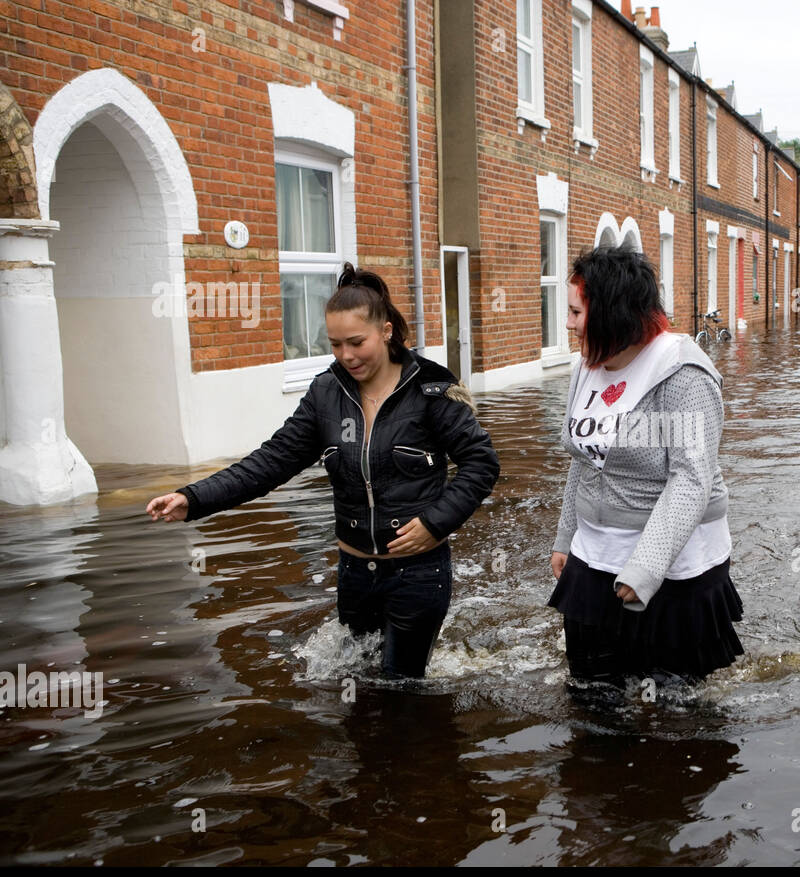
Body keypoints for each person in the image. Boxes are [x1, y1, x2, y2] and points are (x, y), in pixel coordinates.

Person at [146, 264, 500, 679]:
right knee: (358, 685)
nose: (346, 356)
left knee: (402, 688)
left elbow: (481, 463)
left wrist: (436, 523)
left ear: (386, 332)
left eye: (356, 342)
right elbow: (271, 462)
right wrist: (195, 497)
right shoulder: (325, 393)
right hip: (354, 575)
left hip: (417, 573)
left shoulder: (431, 392)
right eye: (335, 345)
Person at [548, 247, 743, 686]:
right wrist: (566, 537)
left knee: (675, 710)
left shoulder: (683, 372)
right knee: (591, 692)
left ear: (612, 314)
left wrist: (646, 568)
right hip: (594, 557)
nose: (568, 323)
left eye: (577, 312)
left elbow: (691, 478)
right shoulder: (587, 367)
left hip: (674, 568)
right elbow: (582, 458)